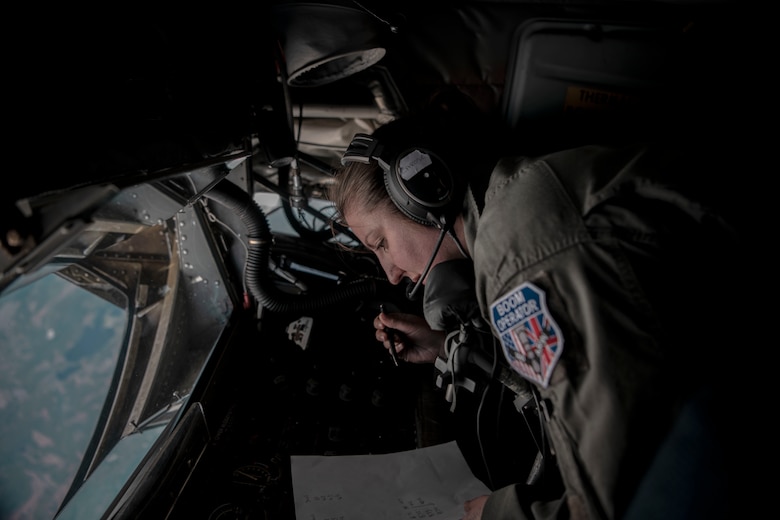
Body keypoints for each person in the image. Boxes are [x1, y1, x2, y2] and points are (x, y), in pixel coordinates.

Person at [326, 92, 749, 520]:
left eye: (380, 243)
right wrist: (452, 347)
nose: (392, 273)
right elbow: (571, 381)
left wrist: (498, 514)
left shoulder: (522, 250)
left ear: (421, 191)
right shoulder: (514, 211)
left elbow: (616, 498)